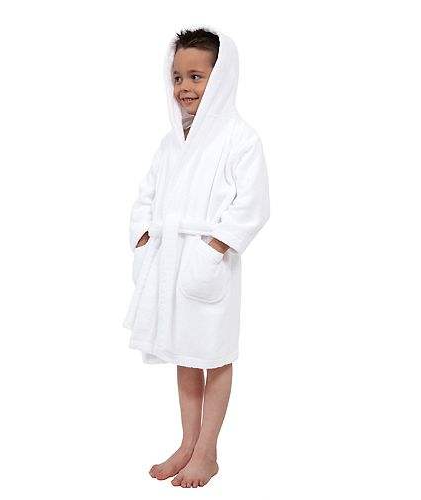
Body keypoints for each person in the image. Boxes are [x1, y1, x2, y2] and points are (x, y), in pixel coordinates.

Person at [123, 27, 270, 488]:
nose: (184, 87)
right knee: (185, 356)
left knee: (216, 355)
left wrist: (214, 248)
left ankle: (208, 451)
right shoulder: (171, 142)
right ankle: (187, 443)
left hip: (207, 264)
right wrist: (144, 238)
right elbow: (145, 196)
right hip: (170, 260)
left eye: (196, 77)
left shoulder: (240, 139)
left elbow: (252, 205)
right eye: (177, 77)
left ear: (220, 78)